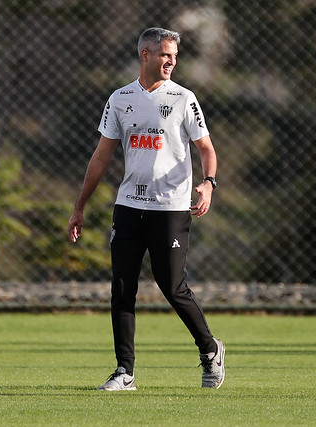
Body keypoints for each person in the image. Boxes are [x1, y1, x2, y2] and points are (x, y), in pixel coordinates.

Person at [67, 27, 224, 391]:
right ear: (145, 55)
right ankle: (125, 371)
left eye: (174, 56)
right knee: (122, 288)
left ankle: (210, 348)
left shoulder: (184, 98)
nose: (171, 61)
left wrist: (208, 183)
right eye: (165, 54)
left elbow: (206, 149)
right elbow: (101, 156)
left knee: (172, 286)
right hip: (128, 206)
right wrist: (80, 206)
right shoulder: (120, 99)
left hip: (170, 209)